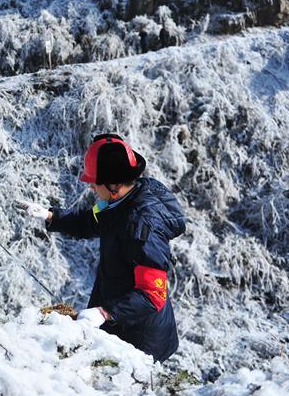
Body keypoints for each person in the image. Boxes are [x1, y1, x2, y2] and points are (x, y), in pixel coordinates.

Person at [17, 133, 186, 362]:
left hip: (141, 342)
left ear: (113, 184)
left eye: (96, 183)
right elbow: (90, 221)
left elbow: (153, 294)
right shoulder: (120, 203)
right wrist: (51, 216)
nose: (93, 188)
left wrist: (105, 312)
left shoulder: (143, 227)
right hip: (118, 322)